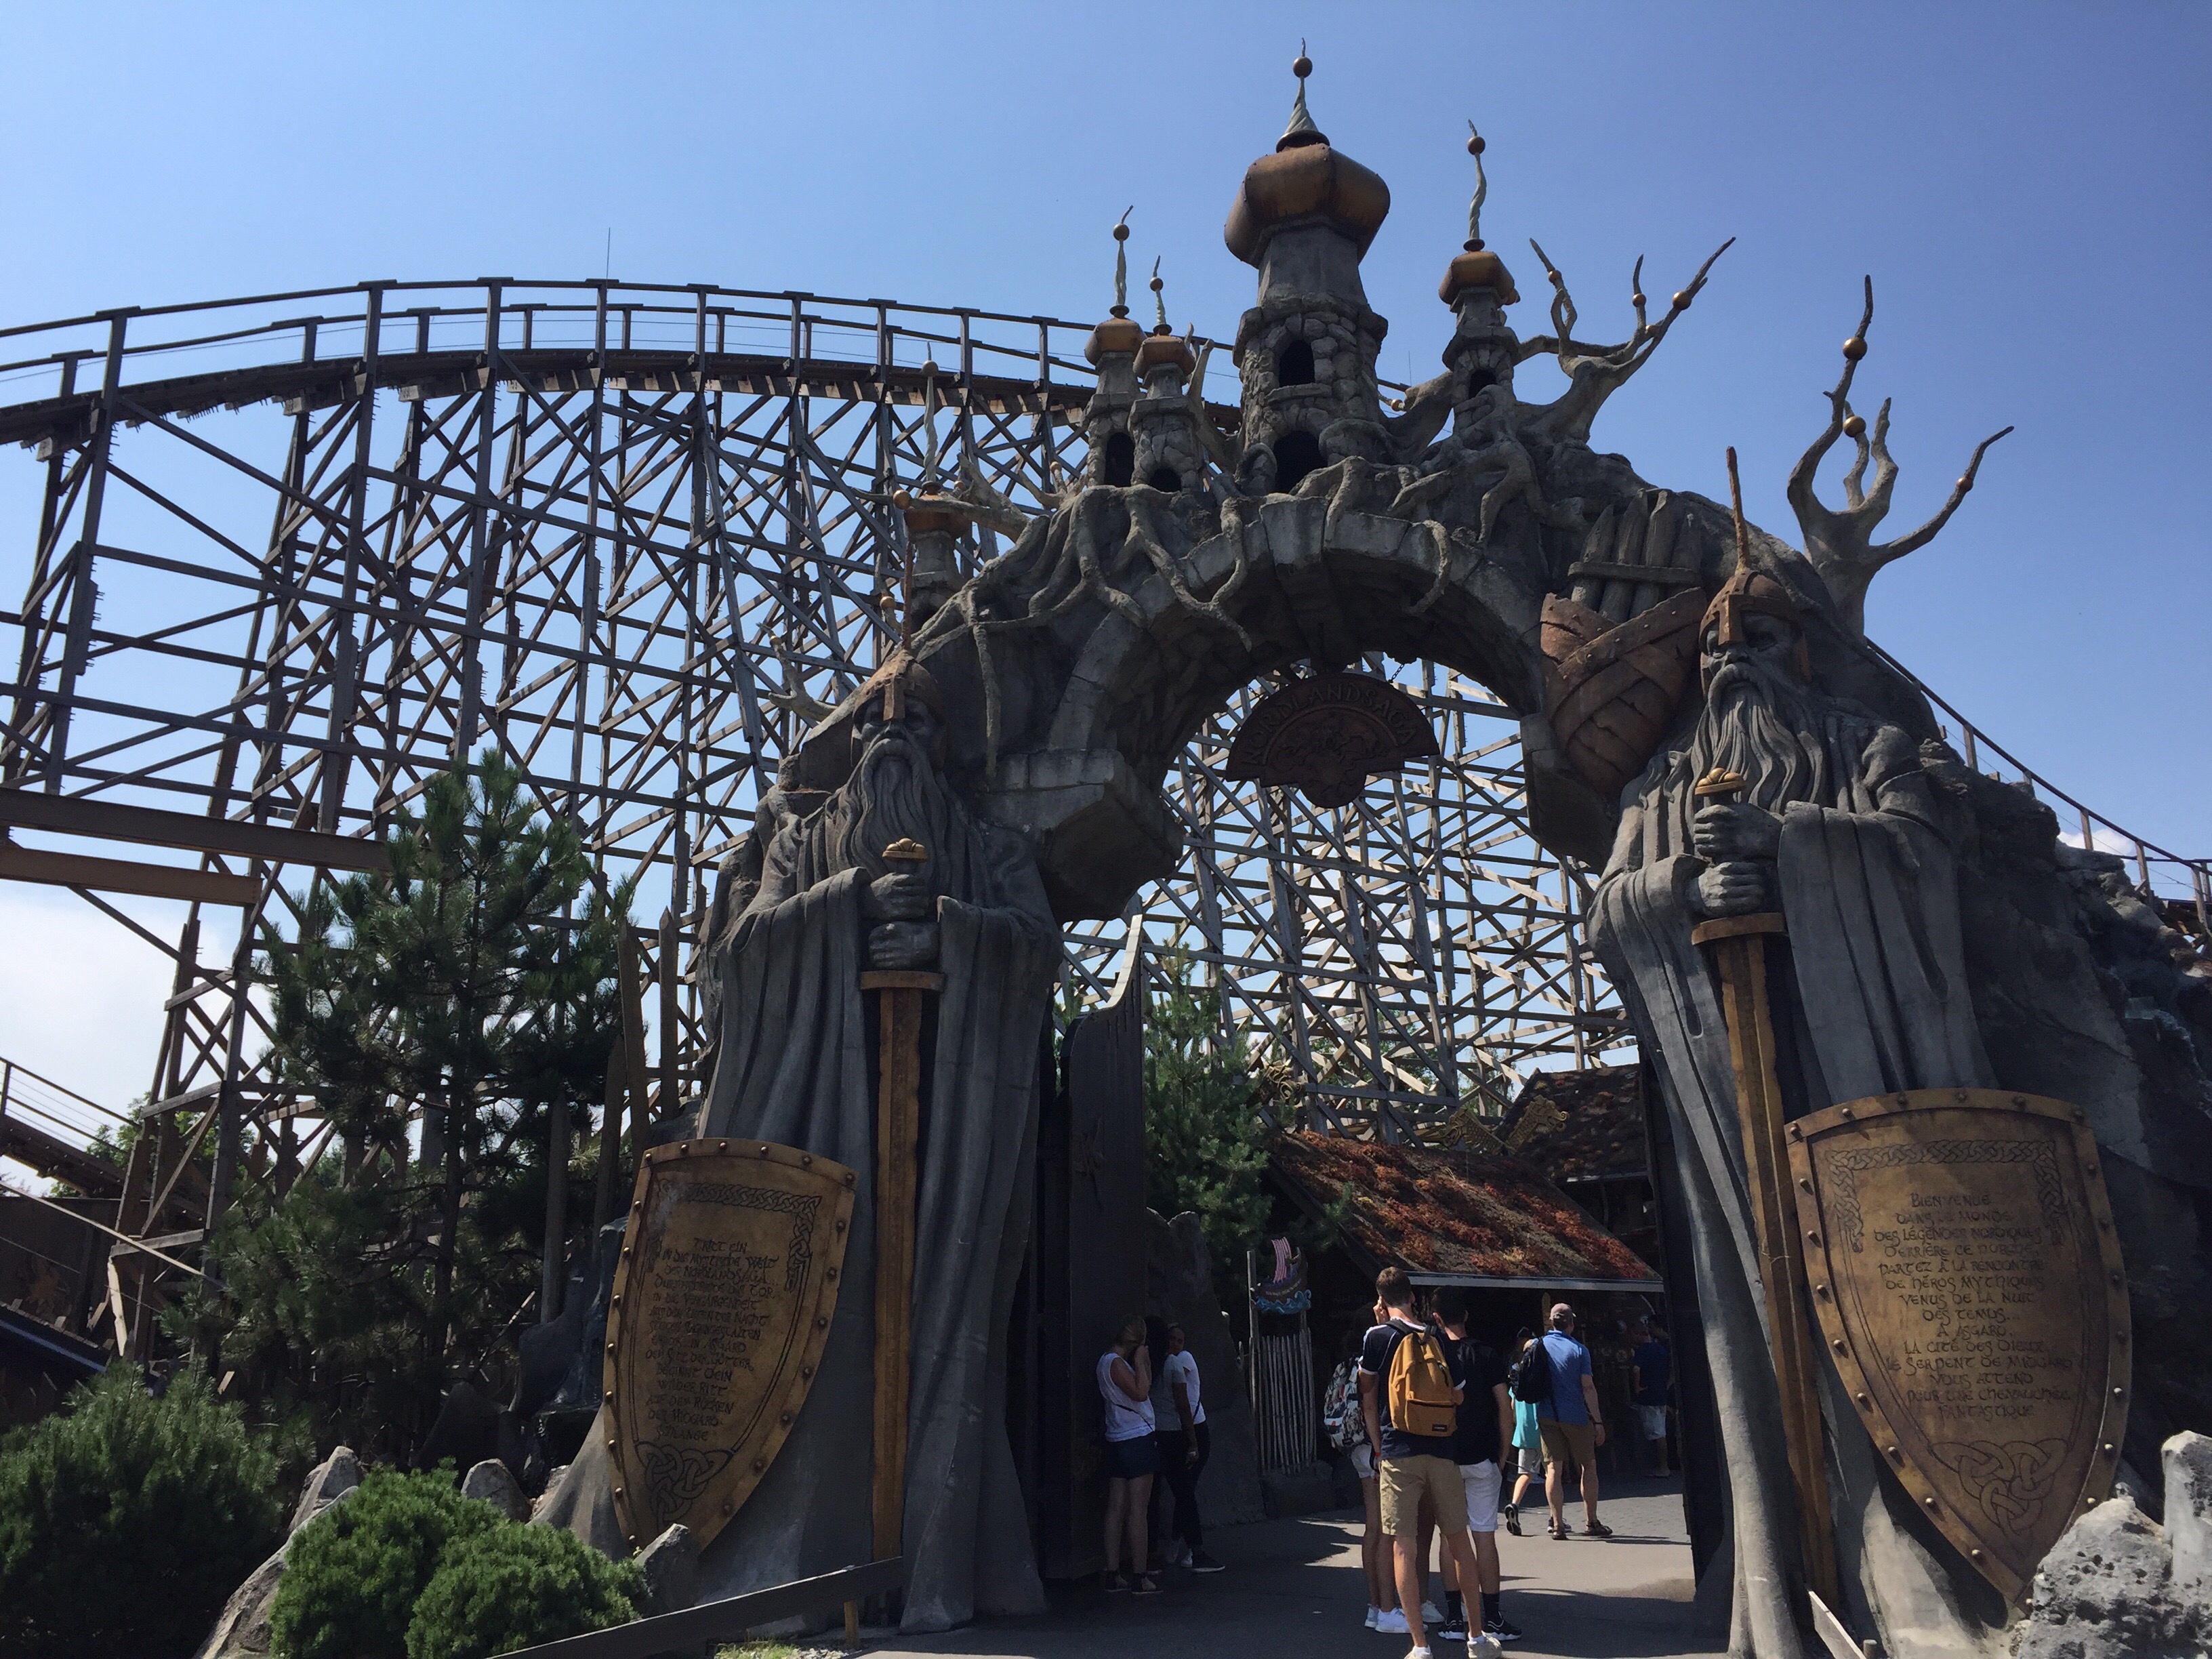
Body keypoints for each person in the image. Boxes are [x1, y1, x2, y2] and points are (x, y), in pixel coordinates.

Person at [1359, 1267, 1490, 1659]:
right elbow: (1459, 1396)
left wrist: (1379, 1447)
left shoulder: (1377, 1337)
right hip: (1443, 1450)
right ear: (1413, 1296)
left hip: (1399, 1450)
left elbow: (1368, 1395)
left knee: (1403, 1547)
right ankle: (1476, 1637)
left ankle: (1420, 1645)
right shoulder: (1438, 1337)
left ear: (1382, 1300)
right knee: (1459, 1541)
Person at [1431, 1292, 1523, 1645]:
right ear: (1466, 1316)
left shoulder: (1433, 1355)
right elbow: (1505, 1408)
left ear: (1437, 1318)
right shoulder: (1486, 1354)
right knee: (1484, 1535)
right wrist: (1502, 1455)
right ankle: (1493, 1616)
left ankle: (1455, 1617)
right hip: (1482, 1456)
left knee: (1448, 1536)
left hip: (1444, 1456)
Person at [1349, 1298, 1403, 1632]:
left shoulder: (1349, 1361)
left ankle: (1374, 1604)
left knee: (1373, 1527)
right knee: (1385, 1529)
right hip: (1375, 1445)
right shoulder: (1375, 1359)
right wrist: (1382, 1450)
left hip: (1357, 1445)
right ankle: (1387, 1606)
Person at [1536, 1303, 1610, 1540]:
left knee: (1553, 1469)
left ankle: (1557, 1524)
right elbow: (1588, 1387)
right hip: (1576, 1416)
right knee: (1588, 1465)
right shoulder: (1579, 1350)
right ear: (1571, 1323)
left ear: (1551, 1322)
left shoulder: (1538, 1345)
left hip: (1547, 1414)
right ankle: (1592, 1521)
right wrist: (1598, 1422)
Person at [1099, 1317, 1161, 1595]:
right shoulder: (1117, 1364)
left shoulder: (1105, 1362)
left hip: (1117, 1437)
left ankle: (1113, 1572)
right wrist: (1140, 1361)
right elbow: (1141, 1392)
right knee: (1138, 1511)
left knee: (1116, 1507)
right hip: (1136, 1437)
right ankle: (1140, 1575)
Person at [1153, 1323, 1222, 1572]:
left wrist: (1192, 1441)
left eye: (1179, 1340)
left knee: (1185, 1491)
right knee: (1184, 1492)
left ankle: (1183, 1546)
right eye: (1170, 1339)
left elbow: (1182, 1399)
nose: (1174, 1344)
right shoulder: (1165, 1362)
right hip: (1180, 1429)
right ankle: (1182, 1546)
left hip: (1193, 1428)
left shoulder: (1181, 1360)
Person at [1501, 1328, 1542, 1536]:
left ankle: (1514, 1504)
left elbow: (1512, 1407)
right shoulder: (1540, 1374)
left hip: (1524, 1432)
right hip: (1543, 1429)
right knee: (1553, 1472)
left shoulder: (1517, 1378)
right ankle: (1556, 1519)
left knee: (1525, 1473)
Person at [1632, 1319, 1674, 1475]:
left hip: (1649, 1396)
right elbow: (1671, 1370)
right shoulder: (1661, 1350)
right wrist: (1666, 1386)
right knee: (1660, 1431)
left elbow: (1636, 1369)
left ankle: (1664, 1467)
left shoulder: (1643, 1351)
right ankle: (1663, 1466)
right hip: (1661, 1393)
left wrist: (1637, 1387)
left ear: (1639, 1334)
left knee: (1658, 1433)